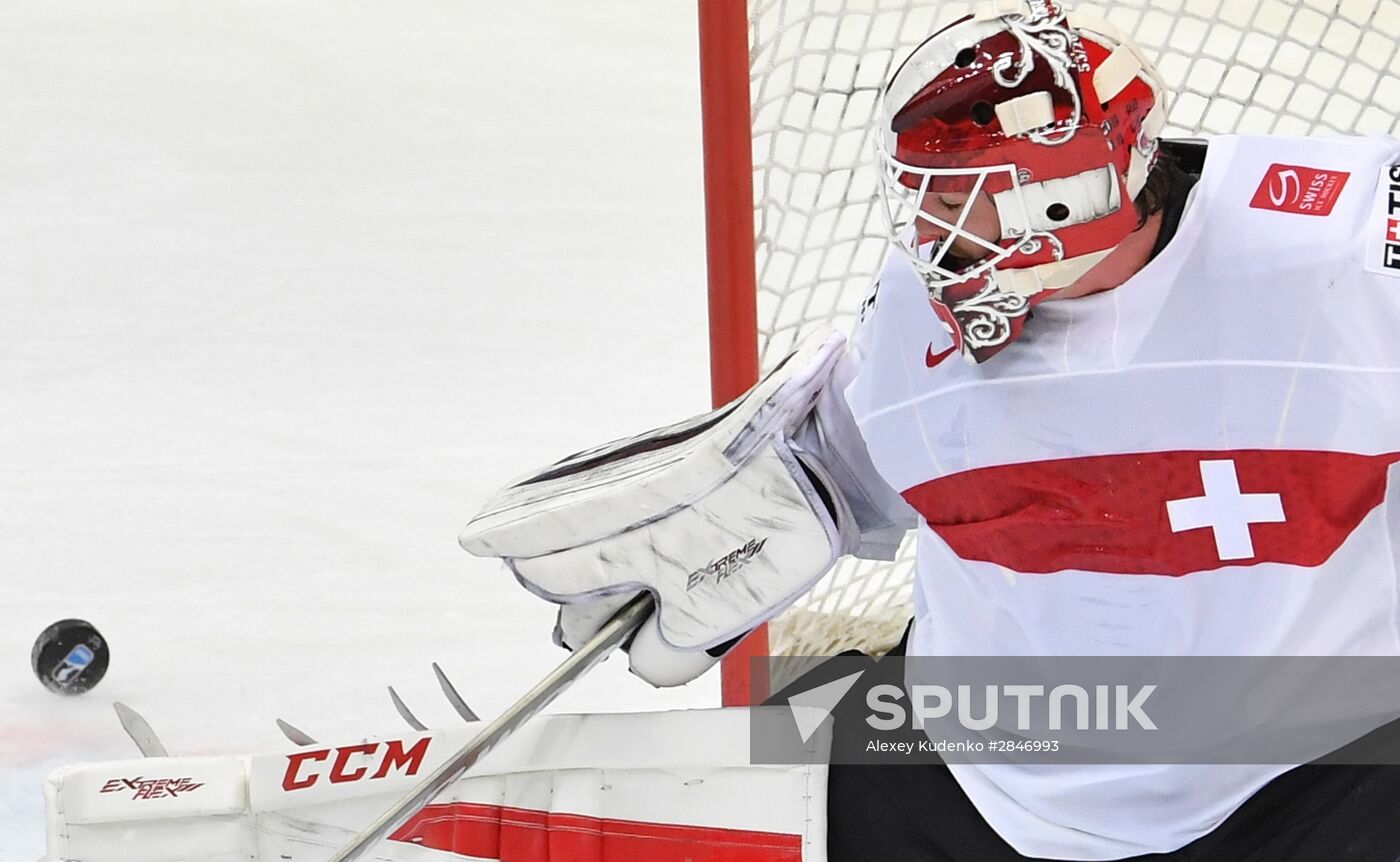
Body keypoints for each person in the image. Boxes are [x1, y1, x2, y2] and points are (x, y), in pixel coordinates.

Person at [461, 1, 1400, 859]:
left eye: (957, 197)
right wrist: (801, 486)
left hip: (1316, 771)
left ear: (1063, 194)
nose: (926, 227)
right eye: (926, 194)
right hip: (979, 752)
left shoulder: (1349, 244)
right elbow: (865, 466)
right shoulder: (921, 314)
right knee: (815, 717)